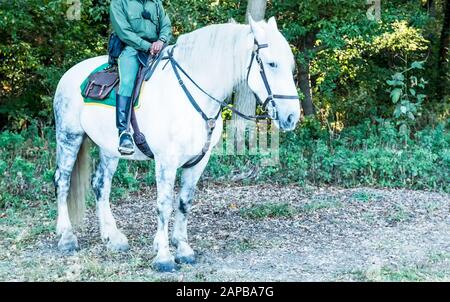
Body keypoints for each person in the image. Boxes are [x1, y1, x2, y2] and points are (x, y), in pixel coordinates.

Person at [110, 0, 172, 155]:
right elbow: (123, 31)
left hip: (159, 49)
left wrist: (161, 40)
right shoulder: (119, 3)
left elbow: (166, 24)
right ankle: (124, 132)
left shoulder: (156, 2)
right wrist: (146, 46)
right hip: (132, 49)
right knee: (127, 82)